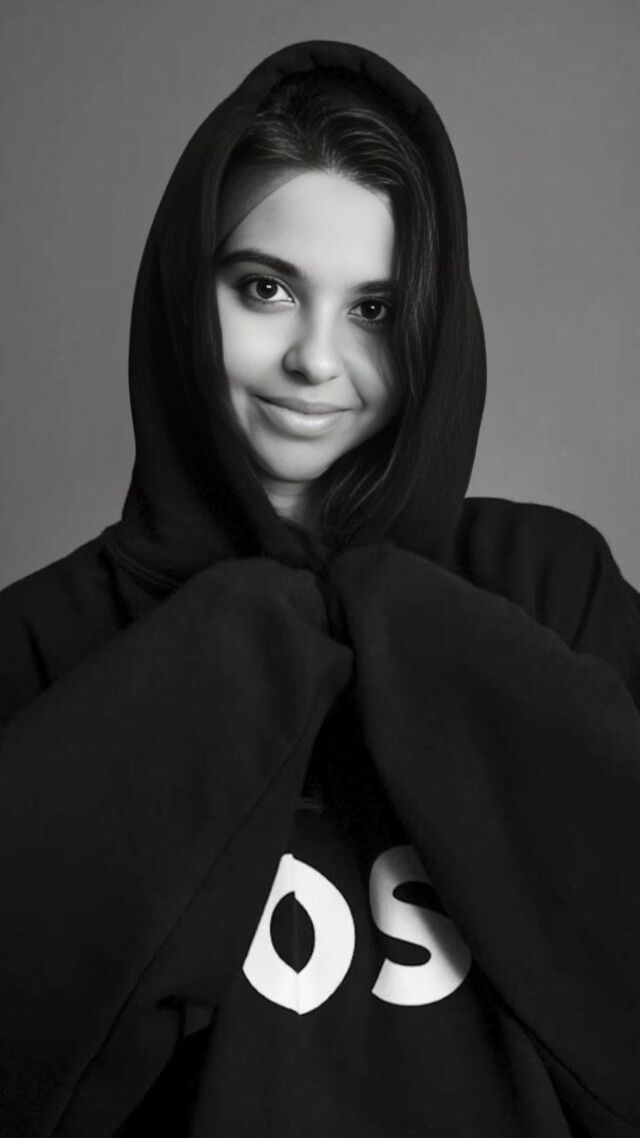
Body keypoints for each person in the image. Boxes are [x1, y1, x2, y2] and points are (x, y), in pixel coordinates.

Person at [0, 38, 639, 1138]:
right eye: (265, 288)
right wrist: (229, 652)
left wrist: (409, 620)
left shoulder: (547, 586)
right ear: (183, 291)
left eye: (373, 310)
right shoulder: (44, 639)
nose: (314, 359)